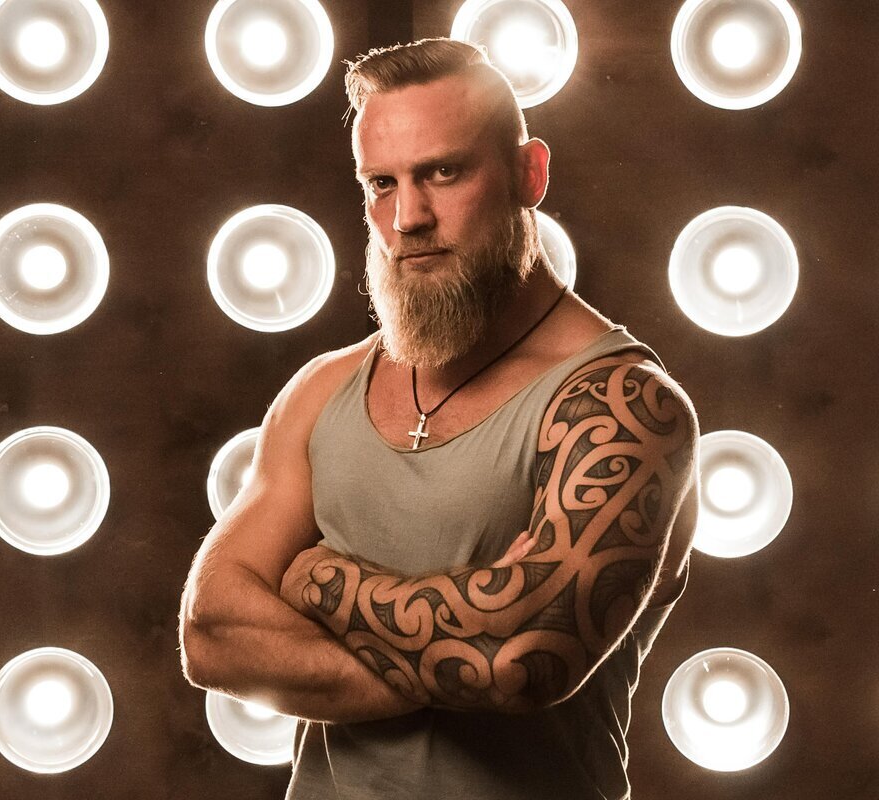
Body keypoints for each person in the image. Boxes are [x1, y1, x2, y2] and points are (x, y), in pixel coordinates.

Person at [178, 38, 700, 800]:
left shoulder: (626, 404)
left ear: (530, 175)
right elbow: (213, 633)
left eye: (444, 173)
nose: (408, 218)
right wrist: (464, 646)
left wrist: (317, 577)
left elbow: (520, 662)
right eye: (381, 184)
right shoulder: (324, 389)